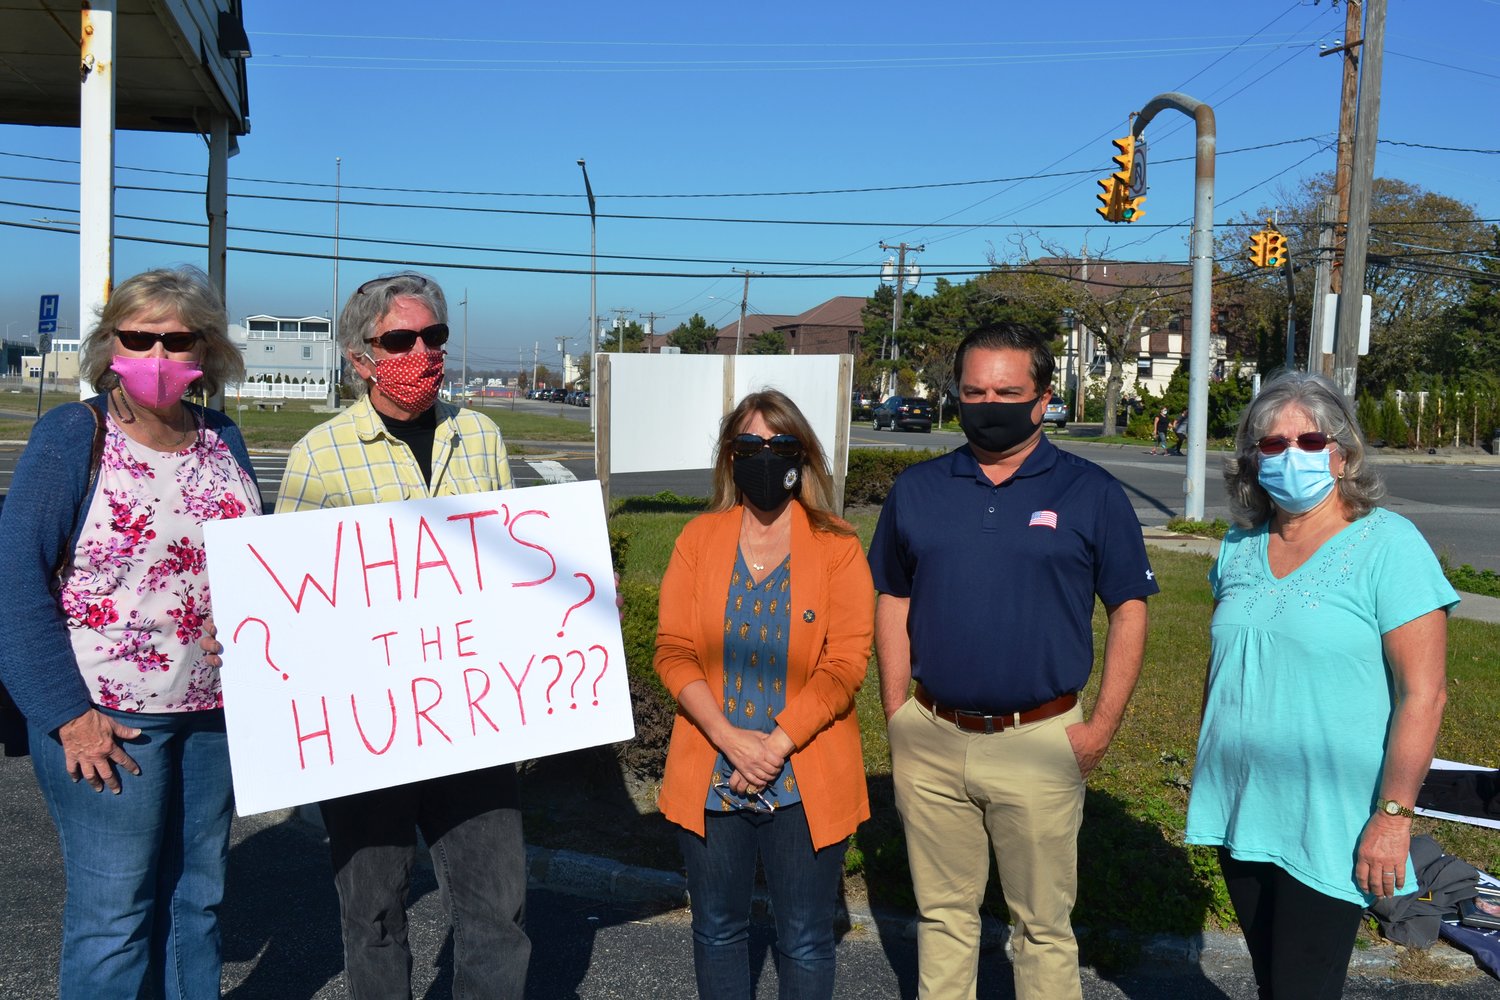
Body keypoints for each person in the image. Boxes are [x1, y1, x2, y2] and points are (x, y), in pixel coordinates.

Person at [867, 321, 1157, 1000]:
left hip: (1040, 739)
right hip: (932, 738)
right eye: (973, 391)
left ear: (1043, 396)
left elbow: (1131, 610)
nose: (988, 404)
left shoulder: (1091, 493)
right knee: (941, 918)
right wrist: (895, 714)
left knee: (1043, 929)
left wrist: (1100, 730)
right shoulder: (919, 490)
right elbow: (892, 600)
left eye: (1006, 390)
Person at [0, 266, 259, 998]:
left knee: (197, 902)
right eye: (137, 338)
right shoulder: (69, 437)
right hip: (106, 718)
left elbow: (247, 563)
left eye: (177, 341)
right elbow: (13, 581)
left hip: (213, 713)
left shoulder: (223, 438)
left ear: (206, 351)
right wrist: (65, 716)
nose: (157, 356)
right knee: (114, 916)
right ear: (108, 344)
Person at [277, 272, 529, 999]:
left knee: (498, 911)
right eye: (400, 340)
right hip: (367, 736)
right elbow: (292, 600)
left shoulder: (478, 435)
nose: (422, 351)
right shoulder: (318, 456)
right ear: (361, 359)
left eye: (434, 336)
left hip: (474, 723)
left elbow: (509, 565)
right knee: (374, 915)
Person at [1185, 371, 1457, 999]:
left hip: (1330, 814)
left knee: (1304, 987)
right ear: (1253, 460)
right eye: (1272, 445)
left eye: (1310, 441)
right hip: (1243, 804)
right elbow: (1222, 669)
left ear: (1343, 454)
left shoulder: (1389, 545)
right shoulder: (1239, 547)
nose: (1291, 456)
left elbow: (1425, 694)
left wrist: (1393, 818)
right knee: (1272, 980)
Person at [654, 389, 874, 1000]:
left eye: (779, 445)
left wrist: (773, 746)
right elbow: (673, 650)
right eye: (748, 445)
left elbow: (846, 662)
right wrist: (730, 740)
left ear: (802, 456)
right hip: (712, 770)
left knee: (804, 937)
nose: (764, 457)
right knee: (717, 931)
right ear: (729, 457)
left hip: (803, 773)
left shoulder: (838, 546)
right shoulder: (698, 540)